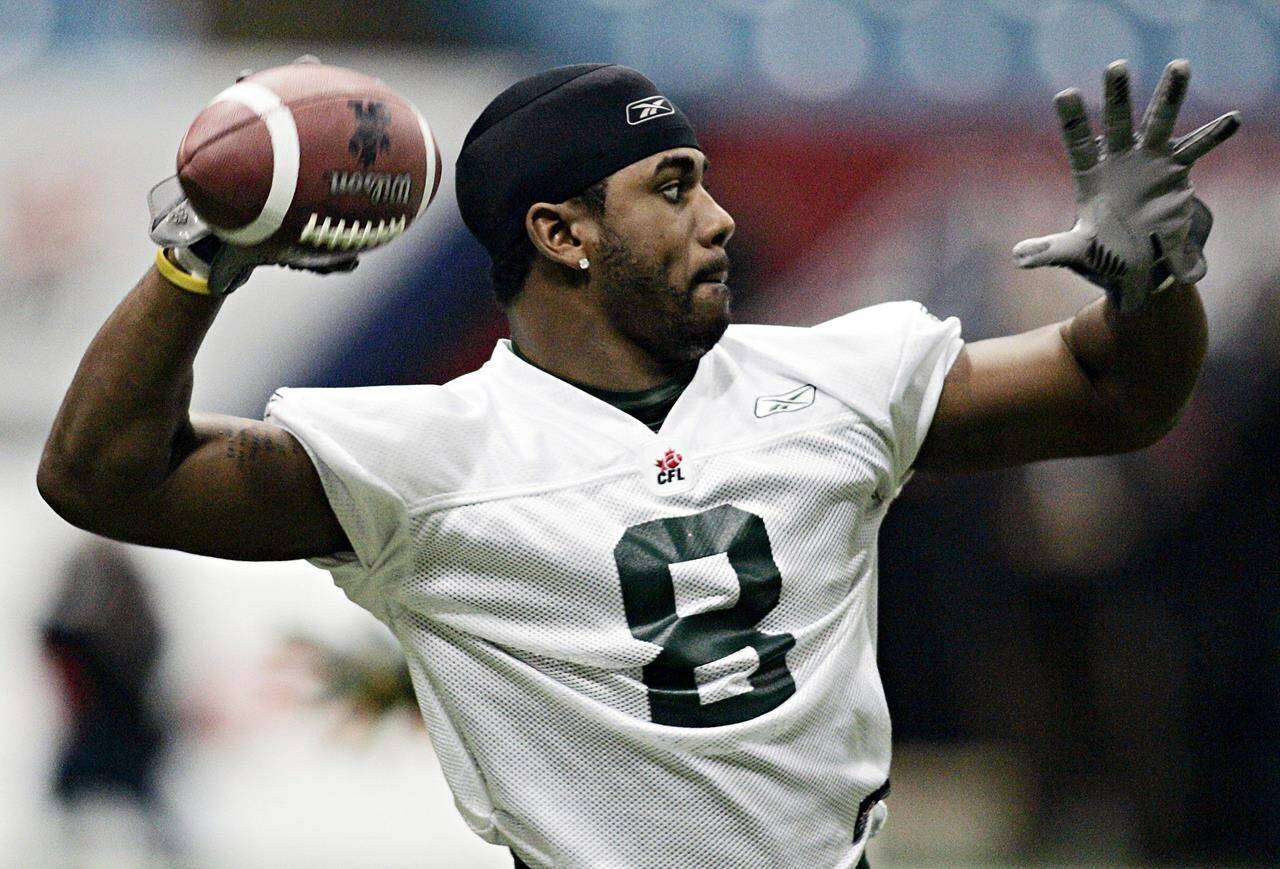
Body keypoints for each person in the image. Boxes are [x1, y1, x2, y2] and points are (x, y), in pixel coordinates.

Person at [37, 60, 1239, 867]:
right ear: (560, 234)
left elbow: (1114, 388)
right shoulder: (428, 456)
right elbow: (100, 474)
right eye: (672, 186)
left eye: (705, 179)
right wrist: (200, 259)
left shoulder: (835, 376)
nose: (717, 216)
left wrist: (1152, 285)